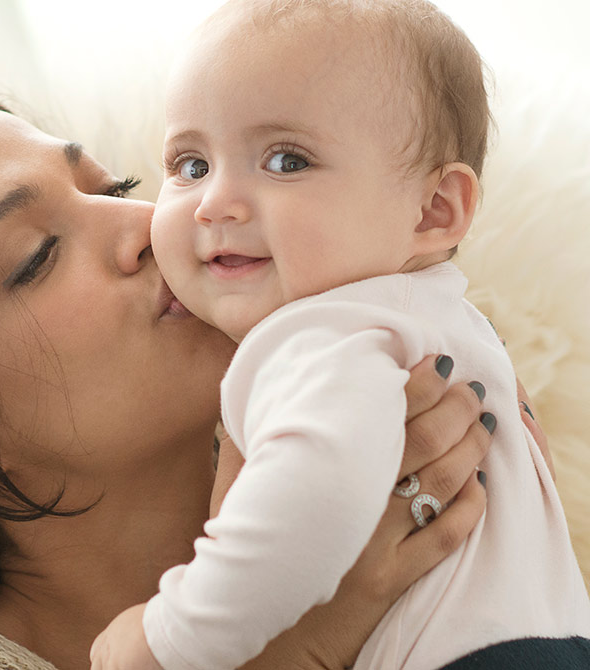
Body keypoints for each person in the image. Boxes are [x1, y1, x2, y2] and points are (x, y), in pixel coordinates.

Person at [0, 83, 535, 670]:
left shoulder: (390, 434)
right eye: (38, 254)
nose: (149, 226)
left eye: (113, 184)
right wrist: (299, 646)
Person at [89, 1, 590, 669]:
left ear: (432, 211)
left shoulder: (321, 329)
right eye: (190, 165)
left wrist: (169, 638)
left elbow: (313, 498)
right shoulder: (437, 323)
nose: (214, 202)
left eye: (287, 161)